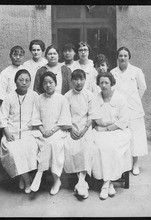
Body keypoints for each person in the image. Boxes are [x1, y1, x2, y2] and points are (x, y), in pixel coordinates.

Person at [0, 69, 41, 194]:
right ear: (15, 81)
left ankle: (23, 177)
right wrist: (7, 132)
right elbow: (2, 117)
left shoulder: (34, 96)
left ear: (30, 82)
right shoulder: (9, 97)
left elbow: (38, 115)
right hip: (12, 132)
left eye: (27, 80)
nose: (24, 83)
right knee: (13, 151)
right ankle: (27, 180)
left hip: (29, 131)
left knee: (30, 148)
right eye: (21, 80)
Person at [30, 71, 72, 195]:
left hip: (58, 130)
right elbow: (36, 117)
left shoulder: (61, 99)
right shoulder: (39, 99)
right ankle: (54, 179)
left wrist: (52, 131)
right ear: (42, 85)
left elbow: (64, 119)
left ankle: (42, 174)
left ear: (55, 83)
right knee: (44, 142)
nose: (48, 85)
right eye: (45, 83)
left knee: (52, 143)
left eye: (50, 82)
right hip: (42, 130)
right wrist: (43, 130)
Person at [92, 72, 132, 200]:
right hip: (100, 130)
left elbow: (123, 121)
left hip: (118, 131)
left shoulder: (120, 98)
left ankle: (105, 183)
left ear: (112, 83)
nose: (103, 85)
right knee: (97, 146)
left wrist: (108, 128)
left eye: (106, 83)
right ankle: (109, 184)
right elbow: (96, 117)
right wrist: (102, 128)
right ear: (98, 84)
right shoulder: (95, 98)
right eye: (101, 83)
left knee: (111, 147)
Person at [110, 46, 147, 176]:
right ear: (117, 57)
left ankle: (135, 163)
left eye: (125, 55)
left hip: (134, 108)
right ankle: (122, 164)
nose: (123, 58)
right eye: (120, 55)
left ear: (129, 57)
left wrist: (134, 99)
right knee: (121, 136)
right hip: (119, 108)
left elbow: (142, 87)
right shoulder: (113, 72)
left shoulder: (136, 71)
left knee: (135, 137)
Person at [64, 69, 100, 199]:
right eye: (76, 79)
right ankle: (81, 182)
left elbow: (91, 115)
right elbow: (65, 115)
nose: (79, 82)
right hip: (71, 128)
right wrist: (71, 129)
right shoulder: (67, 96)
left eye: (81, 79)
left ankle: (81, 181)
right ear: (71, 81)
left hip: (85, 127)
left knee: (86, 146)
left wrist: (84, 130)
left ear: (85, 80)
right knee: (69, 146)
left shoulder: (90, 95)